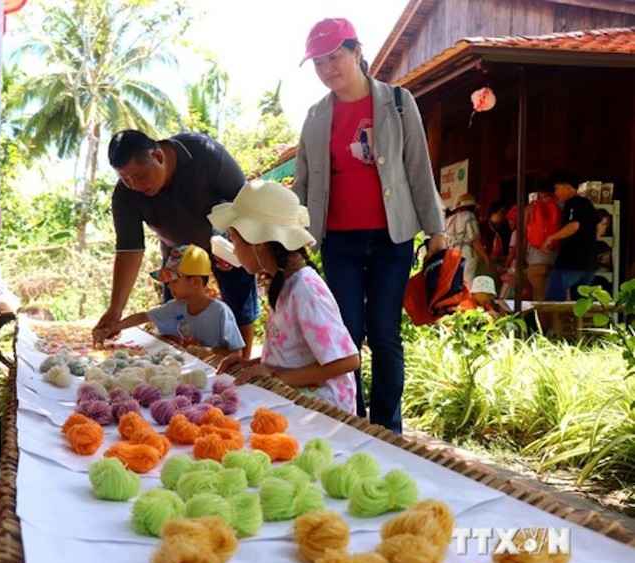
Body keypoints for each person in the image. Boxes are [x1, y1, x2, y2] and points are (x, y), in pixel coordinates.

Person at [292, 17, 446, 433]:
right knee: (346, 334)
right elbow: (304, 183)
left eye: (334, 58)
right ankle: (352, 421)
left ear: (357, 52)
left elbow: (418, 169)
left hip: (392, 238)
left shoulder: (398, 101)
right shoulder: (316, 116)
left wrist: (436, 230)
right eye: (319, 63)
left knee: (383, 332)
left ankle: (387, 429)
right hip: (337, 240)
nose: (327, 70)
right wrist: (294, 238)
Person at [94, 130, 258, 358]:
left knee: (239, 308)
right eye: (125, 178)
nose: (134, 186)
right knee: (172, 318)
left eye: (139, 176)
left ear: (158, 156)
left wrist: (236, 244)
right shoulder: (125, 195)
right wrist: (116, 309)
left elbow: (246, 202)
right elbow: (129, 249)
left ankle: (242, 370)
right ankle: (181, 371)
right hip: (178, 258)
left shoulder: (204, 154)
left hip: (226, 245)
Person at [211, 181, 360, 413]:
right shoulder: (283, 281)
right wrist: (254, 365)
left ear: (258, 243)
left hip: (323, 410)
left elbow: (347, 361)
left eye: (233, 238)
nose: (233, 247)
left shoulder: (305, 288)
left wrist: (275, 375)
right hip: (299, 398)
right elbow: (292, 354)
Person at [93, 244, 244, 356]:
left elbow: (237, 353)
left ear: (196, 282)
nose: (169, 286)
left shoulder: (220, 313)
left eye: (174, 281)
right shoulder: (176, 307)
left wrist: (207, 351)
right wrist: (110, 330)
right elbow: (143, 316)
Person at [543, 173, 598, 301]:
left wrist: (551, 238)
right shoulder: (588, 204)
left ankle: (557, 322)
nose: (556, 193)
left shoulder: (574, 203)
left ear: (568, 187)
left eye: (557, 189)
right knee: (580, 303)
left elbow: (574, 225)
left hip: (572, 262)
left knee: (554, 297)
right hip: (589, 264)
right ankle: (575, 322)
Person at [445, 194, 492, 286]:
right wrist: (486, 257)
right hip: (466, 253)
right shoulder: (469, 216)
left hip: (451, 254)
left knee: (455, 284)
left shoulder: (449, 219)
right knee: (467, 283)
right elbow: (474, 240)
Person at [525, 182, 560, 301]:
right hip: (556, 261)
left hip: (535, 261)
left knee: (540, 300)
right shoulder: (560, 206)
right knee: (555, 300)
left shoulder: (530, 208)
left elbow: (522, 236)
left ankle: (544, 320)